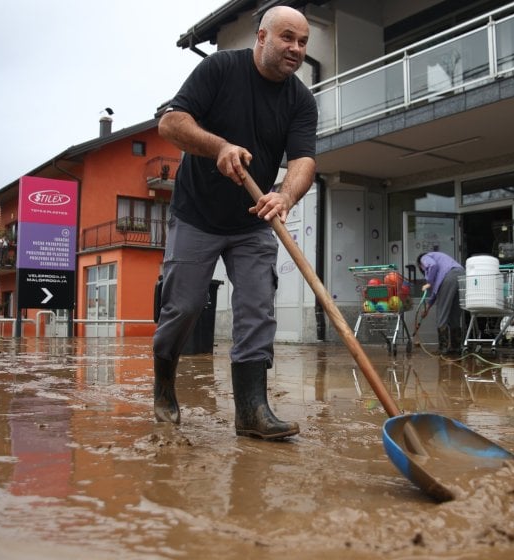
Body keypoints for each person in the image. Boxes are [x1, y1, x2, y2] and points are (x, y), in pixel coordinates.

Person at [152, 6, 317, 440]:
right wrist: (219, 146)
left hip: (253, 220)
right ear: (261, 37)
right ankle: (164, 386)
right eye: (288, 38)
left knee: (256, 311)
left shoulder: (300, 100)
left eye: (303, 42)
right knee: (184, 307)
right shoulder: (221, 69)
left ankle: (251, 411)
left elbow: (303, 160)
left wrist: (285, 194)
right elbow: (171, 123)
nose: (296, 49)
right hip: (197, 214)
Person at [416, 251, 465, 356]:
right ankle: (456, 347)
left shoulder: (424, 258)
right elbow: (435, 292)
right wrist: (427, 308)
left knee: (442, 312)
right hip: (461, 275)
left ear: (420, 265)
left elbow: (432, 265)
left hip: (449, 276)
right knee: (454, 314)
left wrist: (428, 282)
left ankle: (443, 348)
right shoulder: (439, 264)